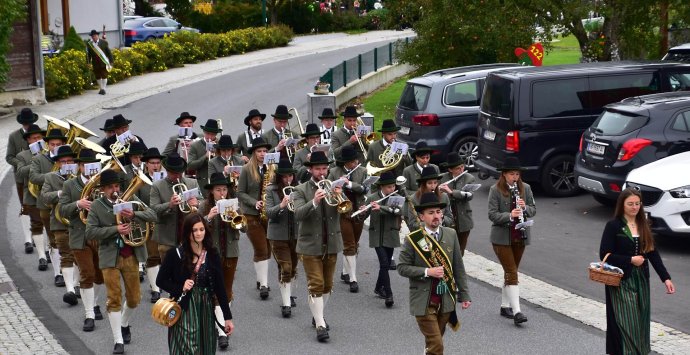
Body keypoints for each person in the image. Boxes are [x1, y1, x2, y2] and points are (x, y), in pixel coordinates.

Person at [85, 169, 157, 354]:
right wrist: (116, 229)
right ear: (103, 190)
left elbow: (153, 215)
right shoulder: (97, 206)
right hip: (109, 257)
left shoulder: (128, 202)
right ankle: (118, 340)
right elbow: (90, 233)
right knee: (114, 297)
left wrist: (135, 215)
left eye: (116, 186)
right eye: (110, 187)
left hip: (130, 255)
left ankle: (124, 323)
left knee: (134, 298)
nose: (114, 190)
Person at [599, 188, 675, 355]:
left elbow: (653, 253)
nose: (634, 207)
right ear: (622, 205)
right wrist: (630, 260)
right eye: (630, 204)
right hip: (621, 280)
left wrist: (666, 278)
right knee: (626, 320)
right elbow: (604, 254)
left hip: (641, 280)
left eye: (637, 204)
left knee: (641, 319)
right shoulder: (614, 226)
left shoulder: (643, 224)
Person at [398, 192, 471, 355]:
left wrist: (465, 295)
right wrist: (427, 271)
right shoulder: (413, 239)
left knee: (434, 342)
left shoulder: (451, 234)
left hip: (445, 299)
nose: (436, 216)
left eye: (438, 212)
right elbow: (401, 267)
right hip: (424, 300)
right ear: (422, 217)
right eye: (431, 213)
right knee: (437, 345)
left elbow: (458, 267)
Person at [156, 213, 234, 354]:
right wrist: (180, 287)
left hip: (206, 308)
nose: (199, 233)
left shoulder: (212, 253)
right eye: (195, 230)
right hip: (184, 308)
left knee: (206, 347)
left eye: (201, 229)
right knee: (187, 348)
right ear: (187, 232)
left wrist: (227, 318)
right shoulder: (175, 254)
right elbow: (160, 281)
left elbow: (220, 288)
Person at [292, 151, 343, 342]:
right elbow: (297, 214)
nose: (322, 172)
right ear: (310, 169)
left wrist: (339, 196)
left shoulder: (333, 186)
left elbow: (346, 209)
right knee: (316, 284)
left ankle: (317, 315)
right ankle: (320, 324)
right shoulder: (301, 190)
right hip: (309, 245)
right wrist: (314, 201)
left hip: (331, 243)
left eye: (324, 168)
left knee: (328, 285)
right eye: (317, 169)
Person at [59, 148, 105, 331]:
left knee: (100, 275)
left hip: (99, 235)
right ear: (79, 166)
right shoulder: (70, 185)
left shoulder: (102, 183)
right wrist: (78, 204)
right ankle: (89, 315)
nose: (88, 167)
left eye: (91, 164)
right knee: (87, 274)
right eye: (84, 164)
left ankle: (94, 303)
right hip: (79, 235)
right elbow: (62, 210)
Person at [487, 157, 536, 325]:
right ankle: (517, 312)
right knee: (512, 271)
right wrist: (509, 215)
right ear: (504, 175)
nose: (515, 177)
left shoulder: (526, 188)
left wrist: (524, 208)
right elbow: (492, 214)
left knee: (511, 270)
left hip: (520, 236)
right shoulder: (495, 190)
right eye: (511, 174)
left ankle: (504, 306)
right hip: (501, 237)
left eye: (517, 174)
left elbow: (533, 209)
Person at [199, 172, 241, 350]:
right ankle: (222, 332)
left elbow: (243, 227)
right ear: (212, 192)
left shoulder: (234, 205)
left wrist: (235, 218)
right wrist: (209, 217)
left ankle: (221, 324)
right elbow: (197, 230)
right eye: (218, 190)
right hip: (212, 255)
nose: (222, 193)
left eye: (224, 189)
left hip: (231, 252)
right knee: (216, 292)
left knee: (227, 291)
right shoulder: (204, 206)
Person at [41, 145, 79, 305]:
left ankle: (76, 284)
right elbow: (44, 197)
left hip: (78, 222)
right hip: (59, 222)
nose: (67, 163)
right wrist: (59, 193)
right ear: (58, 164)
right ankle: (70, 289)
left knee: (79, 254)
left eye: (70, 161)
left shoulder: (80, 177)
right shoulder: (51, 177)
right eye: (63, 161)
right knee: (66, 254)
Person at [30, 128, 69, 286]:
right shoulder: (39, 159)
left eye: (58, 144)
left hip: (68, 205)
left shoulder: (69, 158)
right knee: (54, 239)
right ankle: (58, 272)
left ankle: (72, 275)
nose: (55, 147)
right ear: (47, 144)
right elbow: (33, 177)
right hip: (46, 205)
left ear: (64, 143)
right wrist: (54, 175)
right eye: (52, 144)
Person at [237, 137, 274, 299]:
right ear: (253, 153)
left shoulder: (273, 168)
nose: (262, 154)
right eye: (259, 151)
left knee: (269, 249)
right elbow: (240, 192)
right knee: (261, 249)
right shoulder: (246, 169)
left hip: (269, 214)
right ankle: (264, 285)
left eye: (265, 151)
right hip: (251, 215)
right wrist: (254, 202)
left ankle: (261, 279)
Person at [149, 153, 202, 264]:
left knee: (190, 269)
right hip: (166, 239)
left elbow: (204, 203)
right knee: (169, 273)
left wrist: (197, 203)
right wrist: (170, 204)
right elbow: (153, 209)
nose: (177, 176)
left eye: (179, 173)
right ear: (167, 171)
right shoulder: (157, 186)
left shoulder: (192, 183)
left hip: (189, 235)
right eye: (174, 173)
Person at [328, 145, 367, 293]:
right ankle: (353, 279)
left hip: (358, 211)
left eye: (356, 160)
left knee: (354, 244)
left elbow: (365, 188)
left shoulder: (362, 171)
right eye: (352, 161)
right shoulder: (334, 172)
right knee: (349, 244)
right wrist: (336, 187)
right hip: (342, 213)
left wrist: (348, 183)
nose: (355, 163)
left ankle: (345, 272)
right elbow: (328, 190)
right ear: (345, 162)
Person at [361, 171, 402, 308]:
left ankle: (379, 288)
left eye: (393, 186)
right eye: (389, 187)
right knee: (385, 264)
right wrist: (361, 212)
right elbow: (364, 216)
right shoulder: (372, 197)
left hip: (390, 235)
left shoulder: (396, 197)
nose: (392, 189)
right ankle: (389, 294)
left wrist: (382, 208)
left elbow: (399, 211)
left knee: (384, 264)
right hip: (377, 235)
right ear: (382, 187)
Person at [266, 159, 299, 318]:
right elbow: (269, 213)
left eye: (290, 176)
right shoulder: (271, 190)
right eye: (285, 177)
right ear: (279, 178)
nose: (288, 180)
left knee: (292, 268)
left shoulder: (299, 189)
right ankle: (286, 304)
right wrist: (281, 205)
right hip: (278, 235)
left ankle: (289, 294)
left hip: (296, 234)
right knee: (285, 267)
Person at [138, 147, 166, 303]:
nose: (155, 166)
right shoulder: (141, 180)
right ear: (146, 164)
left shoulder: (165, 179)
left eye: (158, 163)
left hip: (165, 221)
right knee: (152, 256)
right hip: (149, 222)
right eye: (152, 163)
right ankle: (155, 289)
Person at [15, 123, 46, 257]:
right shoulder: (22, 155)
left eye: (39, 138)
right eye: (33, 138)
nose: (36, 141)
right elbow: (20, 173)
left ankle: (51, 251)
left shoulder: (49, 153)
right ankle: (41, 256)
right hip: (32, 195)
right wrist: (35, 161)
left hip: (47, 193)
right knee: (36, 224)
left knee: (51, 226)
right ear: (28, 140)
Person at [438, 153, 475, 255]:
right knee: (447, 248)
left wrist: (451, 192)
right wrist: (439, 191)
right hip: (447, 216)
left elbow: (469, 195)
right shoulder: (442, 178)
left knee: (460, 250)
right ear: (450, 170)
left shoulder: (469, 178)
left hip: (463, 218)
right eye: (458, 168)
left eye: (462, 167)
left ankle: (457, 269)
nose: (461, 170)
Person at [7, 108, 37, 217]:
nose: (28, 125)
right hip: (21, 176)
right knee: (26, 204)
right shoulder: (13, 136)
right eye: (25, 123)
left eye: (29, 123)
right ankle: (25, 209)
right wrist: (20, 163)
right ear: (22, 123)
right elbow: (9, 157)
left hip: (38, 173)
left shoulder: (40, 133)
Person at [404, 167, 453, 231]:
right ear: (423, 184)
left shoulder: (444, 197)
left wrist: (442, 217)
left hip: (441, 233)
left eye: (435, 183)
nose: (433, 186)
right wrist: (430, 224)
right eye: (429, 183)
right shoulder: (413, 199)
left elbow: (450, 219)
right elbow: (412, 224)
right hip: (423, 235)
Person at [186, 118, 223, 191]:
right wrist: (205, 157)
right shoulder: (195, 146)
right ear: (204, 132)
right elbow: (190, 165)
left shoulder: (221, 144)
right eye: (207, 133)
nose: (209, 137)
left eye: (212, 134)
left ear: (216, 134)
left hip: (220, 180)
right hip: (203, 181)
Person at [85, 29, 113, 95]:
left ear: (97, 36)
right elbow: (88, 55)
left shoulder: (104, 42)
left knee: (104, 75)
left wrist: (111, 62)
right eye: (92, 36)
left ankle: (103, 89)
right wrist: (88, 62)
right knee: (97, 76)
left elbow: (109, 53)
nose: (93, 37)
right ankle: (101, 88)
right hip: (95, 63)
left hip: (103, 62)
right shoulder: (90, 45)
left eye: (94, 36)